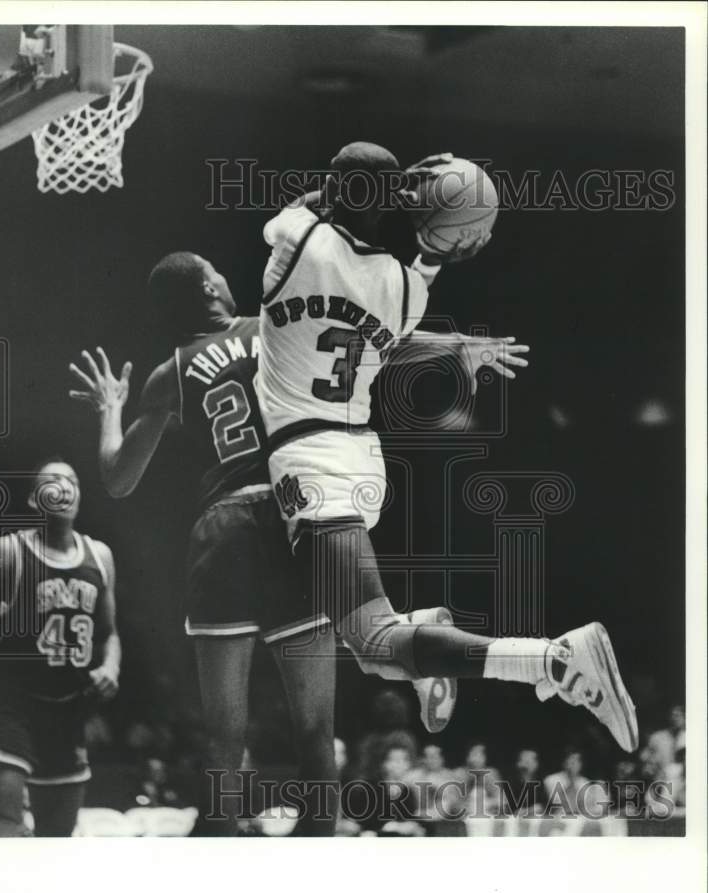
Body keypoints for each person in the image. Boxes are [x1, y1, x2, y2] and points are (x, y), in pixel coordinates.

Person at [255, 140, 638, 752]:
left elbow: (312, 201)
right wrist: (441, 281)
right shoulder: (405, 287)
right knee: (376, 649)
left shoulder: (295, 240)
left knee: (376, 643)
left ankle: (557, 657)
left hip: (310, 457)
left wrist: (391, 188)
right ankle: (432, 633)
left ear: (335, 190)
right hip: (357, 453)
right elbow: (387, 338)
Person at [69, 252, 337, 835]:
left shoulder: (169, 374)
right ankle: (322, 858)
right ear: (213, 285)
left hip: (225, 528)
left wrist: (110, 411)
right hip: (295, 514)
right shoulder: (276, 325)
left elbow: (117, 479)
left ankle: (216, 859)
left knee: (223, 732)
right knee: (316, 726)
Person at [0, 459, 121, 836]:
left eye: (72, 479)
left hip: (69, 715)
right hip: (14, 711)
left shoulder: (100, 557)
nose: (63, 486)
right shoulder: (8, 552)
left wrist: (111, 668)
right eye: (52, 480)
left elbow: (109, 634)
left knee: (55, 846)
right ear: (33, 500)